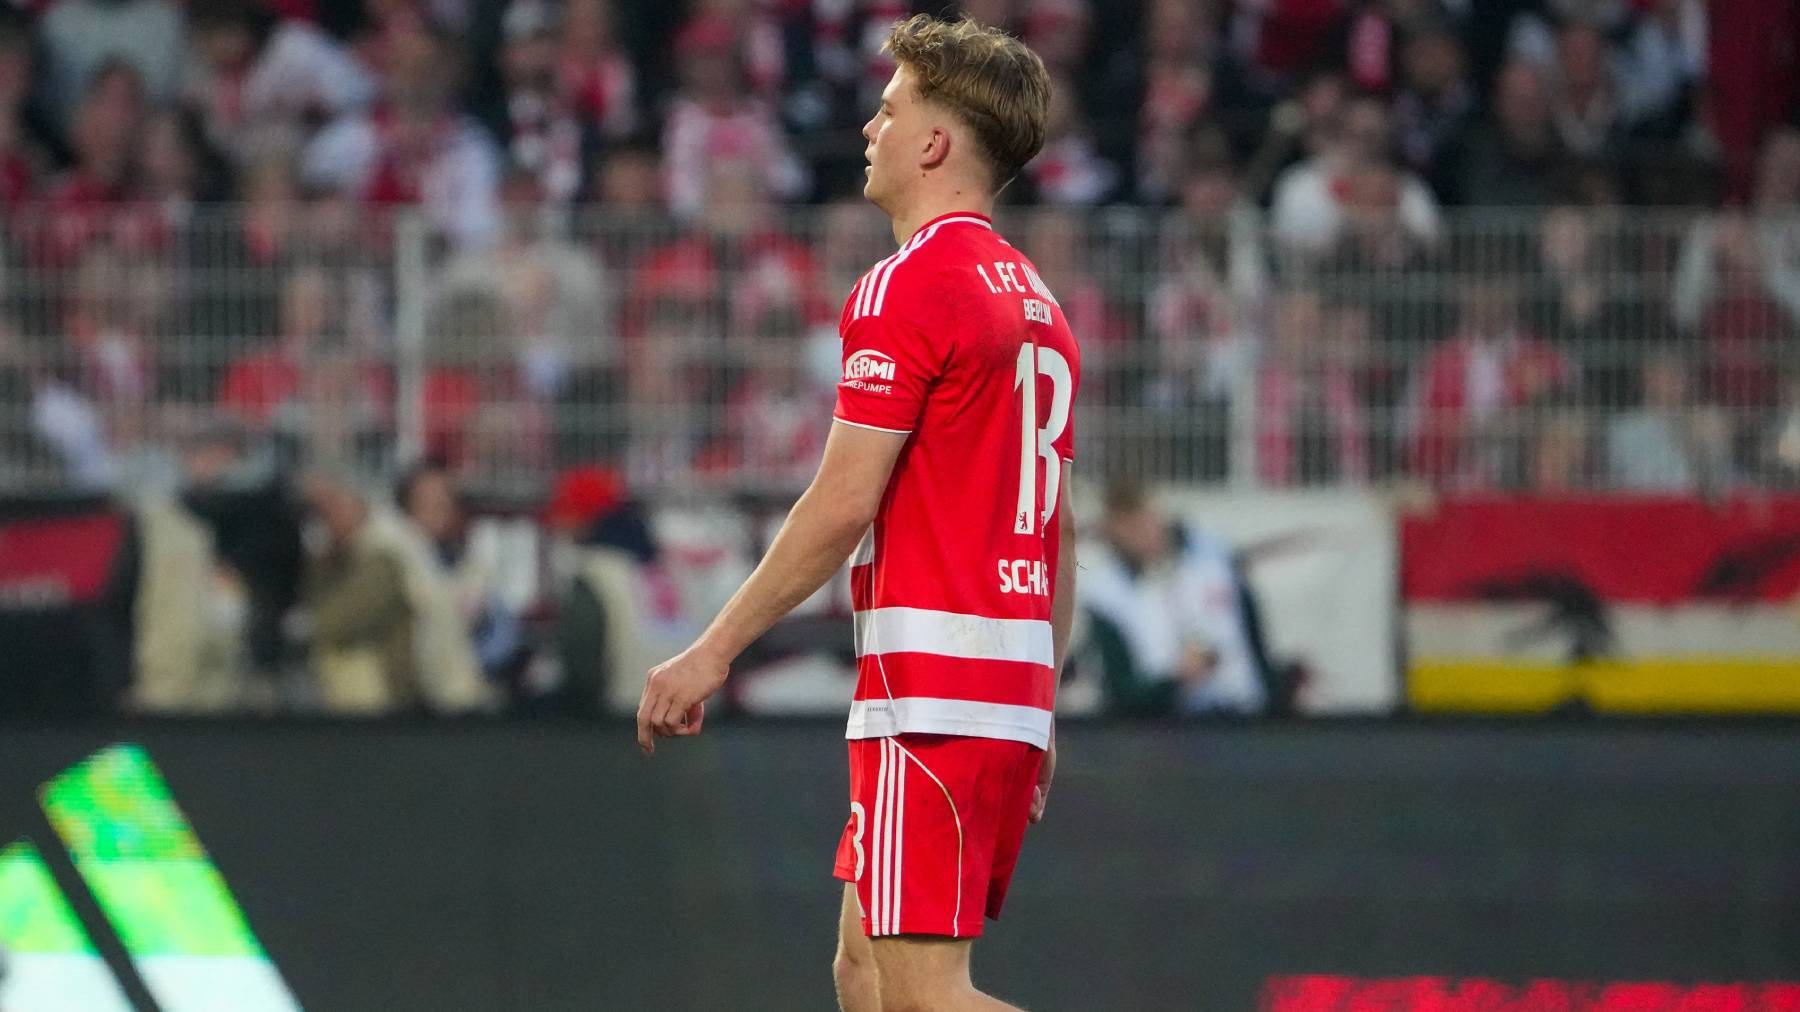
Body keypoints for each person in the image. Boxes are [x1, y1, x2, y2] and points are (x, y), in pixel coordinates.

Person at [634, 16, 1076, 1012]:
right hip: (994, 686)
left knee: (925, 997)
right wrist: (1042, 694)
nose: (870, 131)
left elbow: (841, 504)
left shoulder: (908, 285)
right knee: (863, 977)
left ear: (934, 144)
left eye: (889, 111)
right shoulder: (1038, 298)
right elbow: (1058, 527)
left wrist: (714, 648)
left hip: (935, 691)